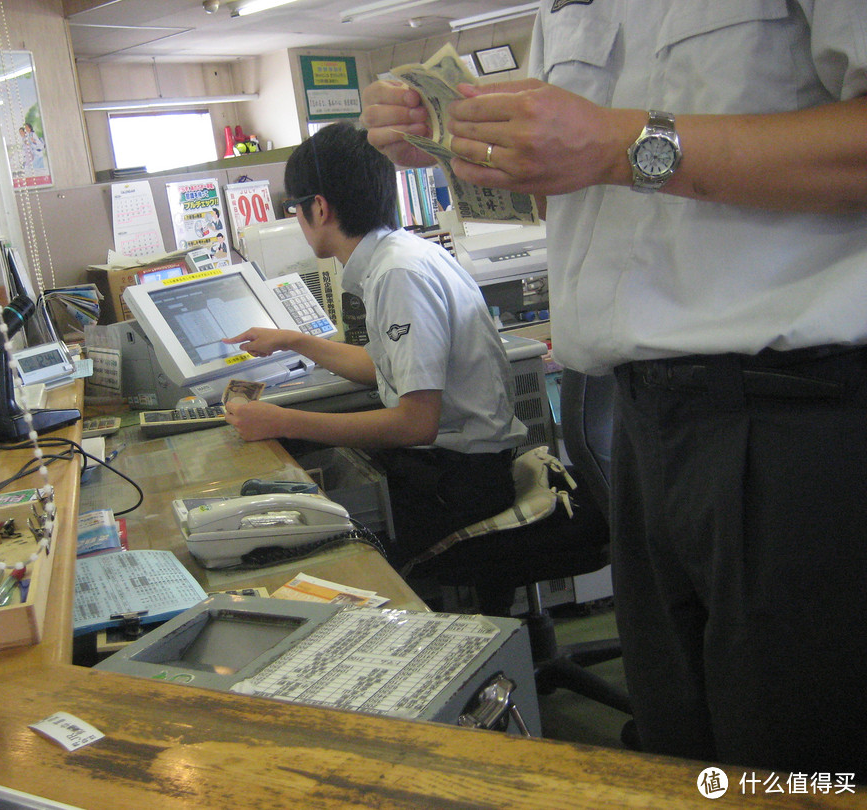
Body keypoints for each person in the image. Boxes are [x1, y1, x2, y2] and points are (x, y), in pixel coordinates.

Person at [362, 0, 867, 777]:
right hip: (642, 419)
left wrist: (627, 146)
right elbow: (595, 197)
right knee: (680, 761)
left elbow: (628, 154)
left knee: (798, 764)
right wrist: (466, 139)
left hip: (798, 412)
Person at [223, 122, 526, 570]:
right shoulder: (403, 252)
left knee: (311, 544)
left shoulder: (396, 274)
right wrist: (296, 341)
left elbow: (415, 423)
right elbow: (390, 370)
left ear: (319, 208)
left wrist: (282, 421)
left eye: (294, 208)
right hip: (462, 467)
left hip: (458, 482)